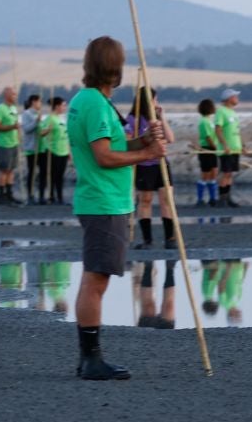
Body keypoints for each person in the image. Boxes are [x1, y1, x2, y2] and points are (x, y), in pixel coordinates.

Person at [68, 35, 167, 381]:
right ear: (115, 68)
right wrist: (147, 155)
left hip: (102, 199)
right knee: (97, 280)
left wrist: (143, 141)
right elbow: (104, 155)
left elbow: (115, 144)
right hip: (104, 201)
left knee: (92, 278)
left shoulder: (90, 100)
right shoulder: (95, 104)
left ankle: (88, 357)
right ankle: (91, 359)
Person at [128, 86, 176, 251]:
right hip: (144, 165)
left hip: (161, 164)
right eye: (154, 99)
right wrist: (145, 138)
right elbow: (129, 143)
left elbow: (170, 138)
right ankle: (147, 240)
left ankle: (170, 238)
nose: (156, 103)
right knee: (145, 200)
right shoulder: (133, 119)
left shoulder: (157, 118)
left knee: (166, 200)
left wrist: (162, 117)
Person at [0, 83, 23, 205]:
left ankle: (9, 194)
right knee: (3, 170)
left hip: (14, 143)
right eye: (13, 94)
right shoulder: (0, 108)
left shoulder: (14, 108)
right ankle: (1, 196)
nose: (15, 96)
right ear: (7, 95)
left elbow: (17, 126)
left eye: (15, 94)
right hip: (4, 144)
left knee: (11, 170)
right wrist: (12, 127)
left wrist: (18, 136)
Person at [214, 88, 244, 206]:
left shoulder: (233, 113)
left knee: (230, 173)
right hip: (226, 149)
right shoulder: (221, 111)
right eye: (235, 96)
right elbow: (218, 129)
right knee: (225, 172)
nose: (237, 99)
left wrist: (242, 145)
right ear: (228, 98)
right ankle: (222, 198)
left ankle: (228, 197)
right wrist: (225, 145)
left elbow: (236, 131)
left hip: (235, 148)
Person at [41, 95, 72, 205]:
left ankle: (60, 197)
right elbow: (41, 133)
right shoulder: (50, 118)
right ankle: (52, 196)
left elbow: (66, 135)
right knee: (54, 176)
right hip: (53, 151)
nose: (65, 107)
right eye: (63, 105)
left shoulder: (61, 118)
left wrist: (69, 151)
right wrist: (47, 130)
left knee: (60, 176)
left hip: (63, 151)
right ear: (57, 106)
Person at [19, 92, 45, 205]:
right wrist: (36, 122)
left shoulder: (38, 113)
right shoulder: (26, 114)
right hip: (31, 148)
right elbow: (26, 129)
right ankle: (30, 195)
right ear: (34, 102)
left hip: (41, 148)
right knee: (32, 172)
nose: (41, 104)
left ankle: (42, 195)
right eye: (39, 101)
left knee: (43, 172)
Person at [193, 97, 220, 205]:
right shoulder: (204, 122)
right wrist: (215, 147)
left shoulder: (210, 121)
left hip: (212, 149)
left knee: (214, 172)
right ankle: (200, 199)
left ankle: (212, 198)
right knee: (205, 174)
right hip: (207, 149)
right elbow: (208, 137)